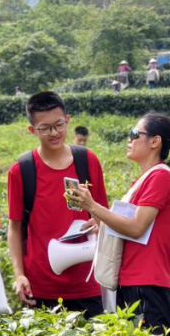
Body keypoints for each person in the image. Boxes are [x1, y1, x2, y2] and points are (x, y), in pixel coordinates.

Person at [70, 113, 170, 336]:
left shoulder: (161, 178)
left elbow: (136, 228)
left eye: (135, 134)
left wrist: (93, 205)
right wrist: (98, 216)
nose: (129, 140)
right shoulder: (145, 180)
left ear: (155, 142)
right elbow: (127, 225)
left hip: (147, 284)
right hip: (133, 282)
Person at [7, 91, 109, 316]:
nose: (54, 133)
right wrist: (19, 275)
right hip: (40, 284)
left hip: (87, 282)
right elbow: (14, 227)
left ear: (68, 121)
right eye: (45, 128)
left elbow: (104, 213)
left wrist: (97, 220)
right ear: (32, 130)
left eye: (59, 125)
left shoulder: (87, 161)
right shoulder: (22, 170)